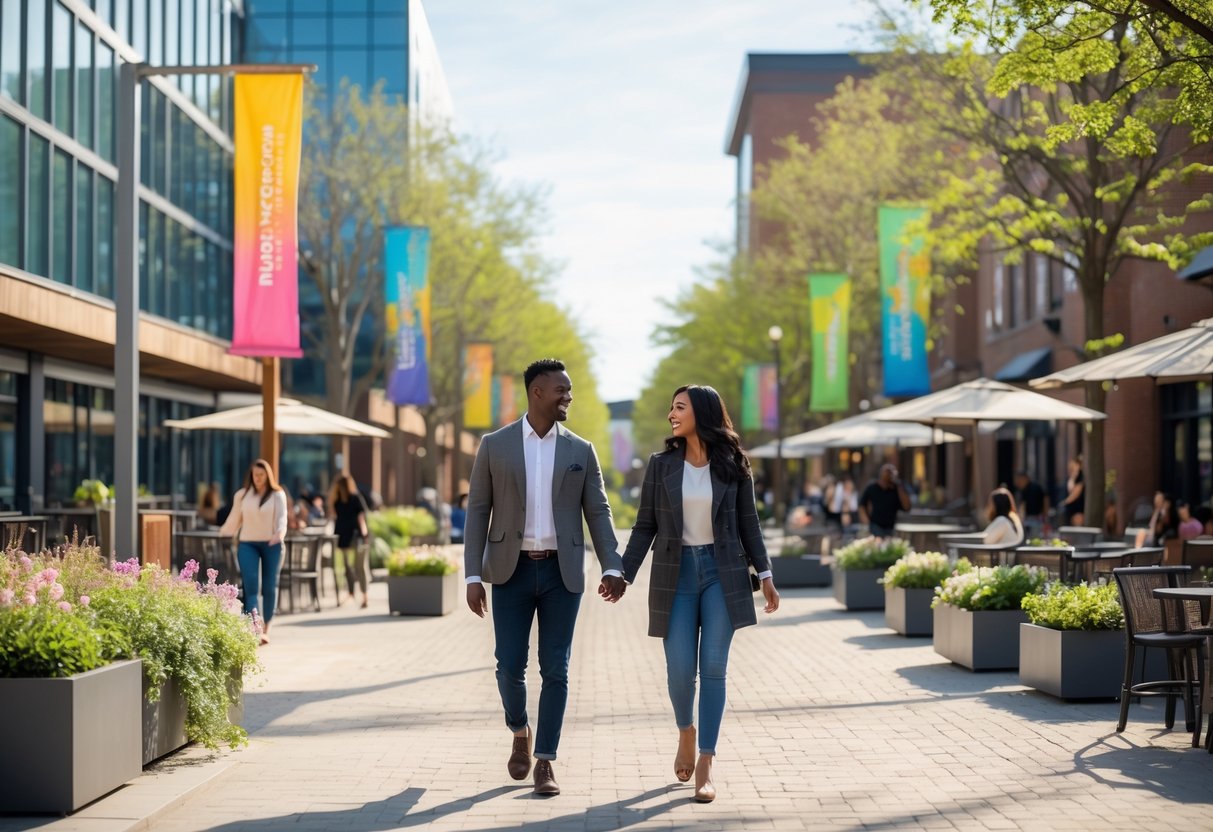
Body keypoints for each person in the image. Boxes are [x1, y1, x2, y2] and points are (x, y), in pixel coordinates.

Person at [463, 358, 626, 797]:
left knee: (556, 668)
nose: (568, 396)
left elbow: (599, 512)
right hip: (509, 572)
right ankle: (519, 729)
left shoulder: (581, 450)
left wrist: (613, 564)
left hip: (562, 572)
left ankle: (546, 761)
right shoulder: (494, 445)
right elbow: (478, 510)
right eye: (561, 390)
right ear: (537, 392)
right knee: (508, 665)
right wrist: (471, 575)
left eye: (569, 390)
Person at [622, 385, 779, 804]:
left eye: (680, 407)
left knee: (712, 667)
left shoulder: (733, 464)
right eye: (671, 407)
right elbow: (644, 527)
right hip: (675, 574)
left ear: (702, 413)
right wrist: (623, 574)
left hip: (721, 571)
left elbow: (750, 524)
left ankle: (706, 762)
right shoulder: (660, 465)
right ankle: (685, 732)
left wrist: (764, 573)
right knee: (678, 671)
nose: (671, 414)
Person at [219, 459, 289, 645]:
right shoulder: (242, 495)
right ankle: (255, 628)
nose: (257, 478)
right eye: (255, 475)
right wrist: (221, 533)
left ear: (267, 476)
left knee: (269, 586)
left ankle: (267, 627)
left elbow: (282, 520)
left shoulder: (277, 495)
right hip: (247, 544)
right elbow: (234, 520)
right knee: (251, 587)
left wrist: (279, 535)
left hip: (271, 544)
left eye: (261, 475)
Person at [328, 474, 371, 608]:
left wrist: (364, 533)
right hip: (355, 535)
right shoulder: (354, 498)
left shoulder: (339, 500)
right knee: (359, 567)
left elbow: (334, 516)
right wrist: (365, 534)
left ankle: (355, 594)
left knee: (350, 567)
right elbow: (361, 517)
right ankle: (362, 596)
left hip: (345, 536)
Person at [858, 464, 910, 537]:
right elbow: (861, 505)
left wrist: (899, 485)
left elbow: (907, 507)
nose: (889, 475)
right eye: (887, 472)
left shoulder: (897, 489)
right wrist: (867, 523)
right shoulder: (872, 488)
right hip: (875, 526)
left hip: (891, 527)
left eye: (891, 472)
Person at [1013, 471, 1049, 539]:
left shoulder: (1036, 487)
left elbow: (1045, 499)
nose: (1018, 482)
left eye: (1020, 480)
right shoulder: (1024, 490)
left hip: (1037, 517)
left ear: (1025, 478)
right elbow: (1023, 505)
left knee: (1035, 537)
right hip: (1028, 517)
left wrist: (1045, 514)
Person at [1061, 456, 1085, 526]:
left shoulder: (1081, 478)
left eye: (1073, 465)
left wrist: (1064, 502)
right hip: (1071, 509)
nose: (1070, 468)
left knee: (1078, 528)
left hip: (1078, 508)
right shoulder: (1072, 478)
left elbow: (1074, 492)